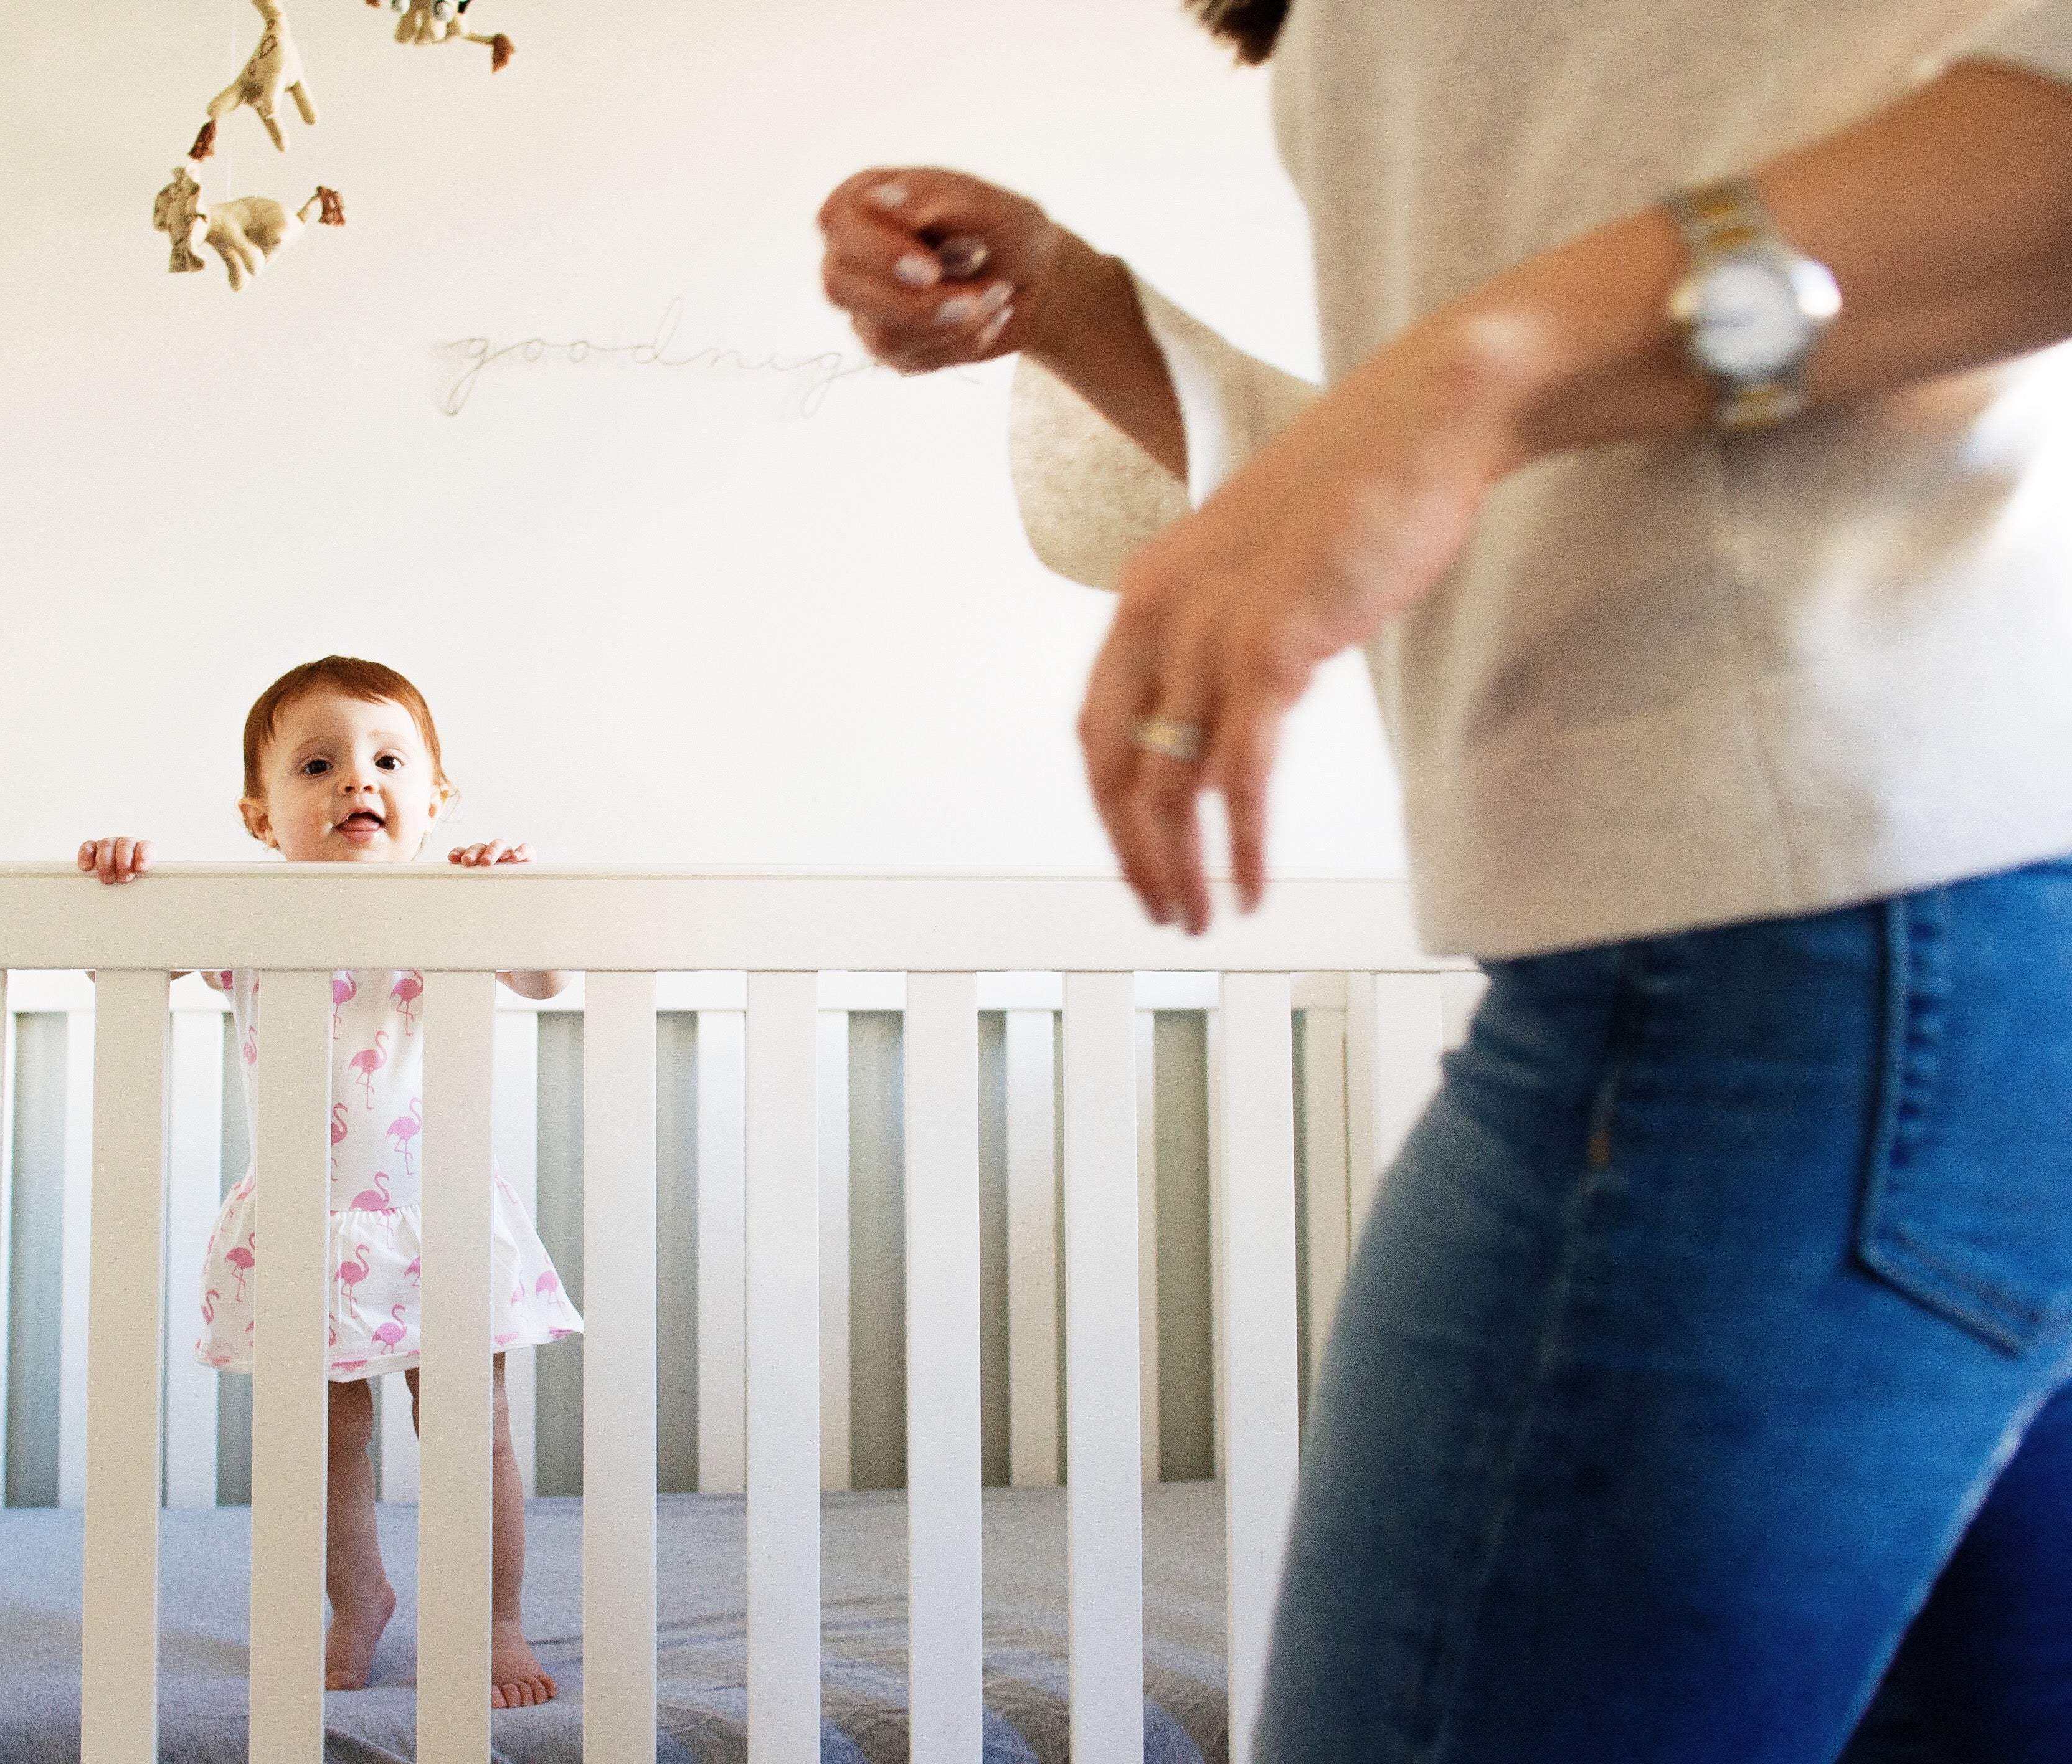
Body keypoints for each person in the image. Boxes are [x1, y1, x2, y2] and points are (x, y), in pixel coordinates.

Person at [819, 2, 2072, 1758]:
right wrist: (1086, 315)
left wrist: (1471, 382)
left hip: (1789, 961)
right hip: (1911, 944)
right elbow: (1537, 485)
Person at [79, 654, 584, 1710]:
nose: (358, 781)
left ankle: (492, 1617)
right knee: (324, 1442)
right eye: (318, 765)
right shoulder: (246, 923)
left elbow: (548, 977)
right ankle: (359, 1602)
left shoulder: (459, 907)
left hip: (437, 1224)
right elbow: (115, 954)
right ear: (263, 818)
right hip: (304, 1228)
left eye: (388, 760)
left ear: (434, 801)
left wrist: (519, 894)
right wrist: (124, 878)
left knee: (471, 1430)